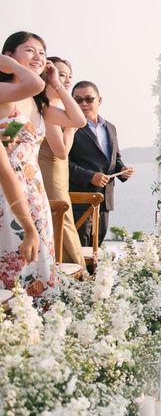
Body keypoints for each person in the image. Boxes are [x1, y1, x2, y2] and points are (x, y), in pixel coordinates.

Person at [0, 32, 86, 296]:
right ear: (10, 55)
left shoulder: (38, 102)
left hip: (34, 192)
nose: (39, 56)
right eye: (30, 50)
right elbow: (31, 85)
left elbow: (78, 120)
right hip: (6, 189)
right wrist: (10, 64)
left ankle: (38, 327)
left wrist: (57, 84)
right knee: (16, 261)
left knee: (41, 262)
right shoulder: (6, 91)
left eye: (42, 52)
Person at [68, 81, 134, 245]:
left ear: (99, 101)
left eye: (89, 99)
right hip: (79, 199)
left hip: (105, 200)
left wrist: (123, 169)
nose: (83, 103)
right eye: (78, 100)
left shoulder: (110, 127)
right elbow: (62, 162)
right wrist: (90, 176)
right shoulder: (68, 126)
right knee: (80, 251)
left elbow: (115, 158)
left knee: (97, 248)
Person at [0, 53, 44, 285]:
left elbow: (6, 144)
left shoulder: (22, 107)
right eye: (30, 50)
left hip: (27, 188)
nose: (37, 57)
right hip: (12, 190)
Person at [38, 57, 86, 268]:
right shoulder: (46, 108)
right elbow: (61, 151)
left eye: (69, 76)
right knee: (61, 219)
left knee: (62, 220)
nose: (65, 80)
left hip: (59, 173)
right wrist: (71, 128)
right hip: (50, 171)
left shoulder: (56, 106)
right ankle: (75, 270)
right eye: (60, 74)